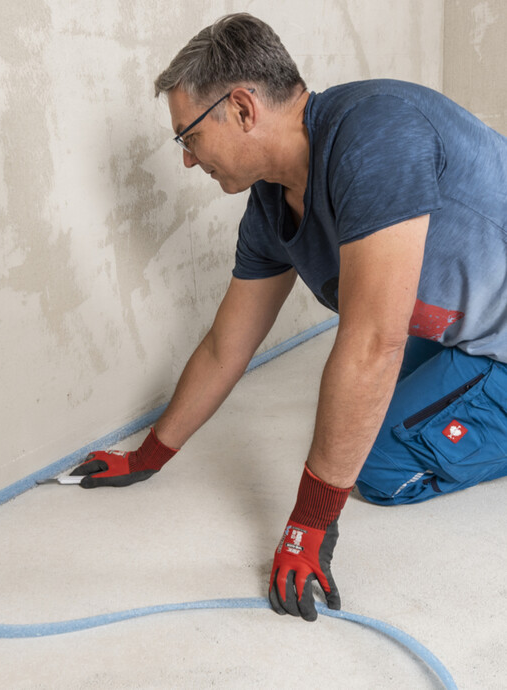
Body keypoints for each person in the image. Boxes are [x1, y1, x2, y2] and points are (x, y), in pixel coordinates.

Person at [70, 13, 507, 622]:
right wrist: (149, 456)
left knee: (375, 462)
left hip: (497, 342)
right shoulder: (272, 202)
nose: (189, 161)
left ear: (243, 109)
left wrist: (310, 525)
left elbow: (374, 341)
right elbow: (228, 345)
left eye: (188, 136)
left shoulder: (375, 135)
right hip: (466, 329)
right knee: (354, 404)